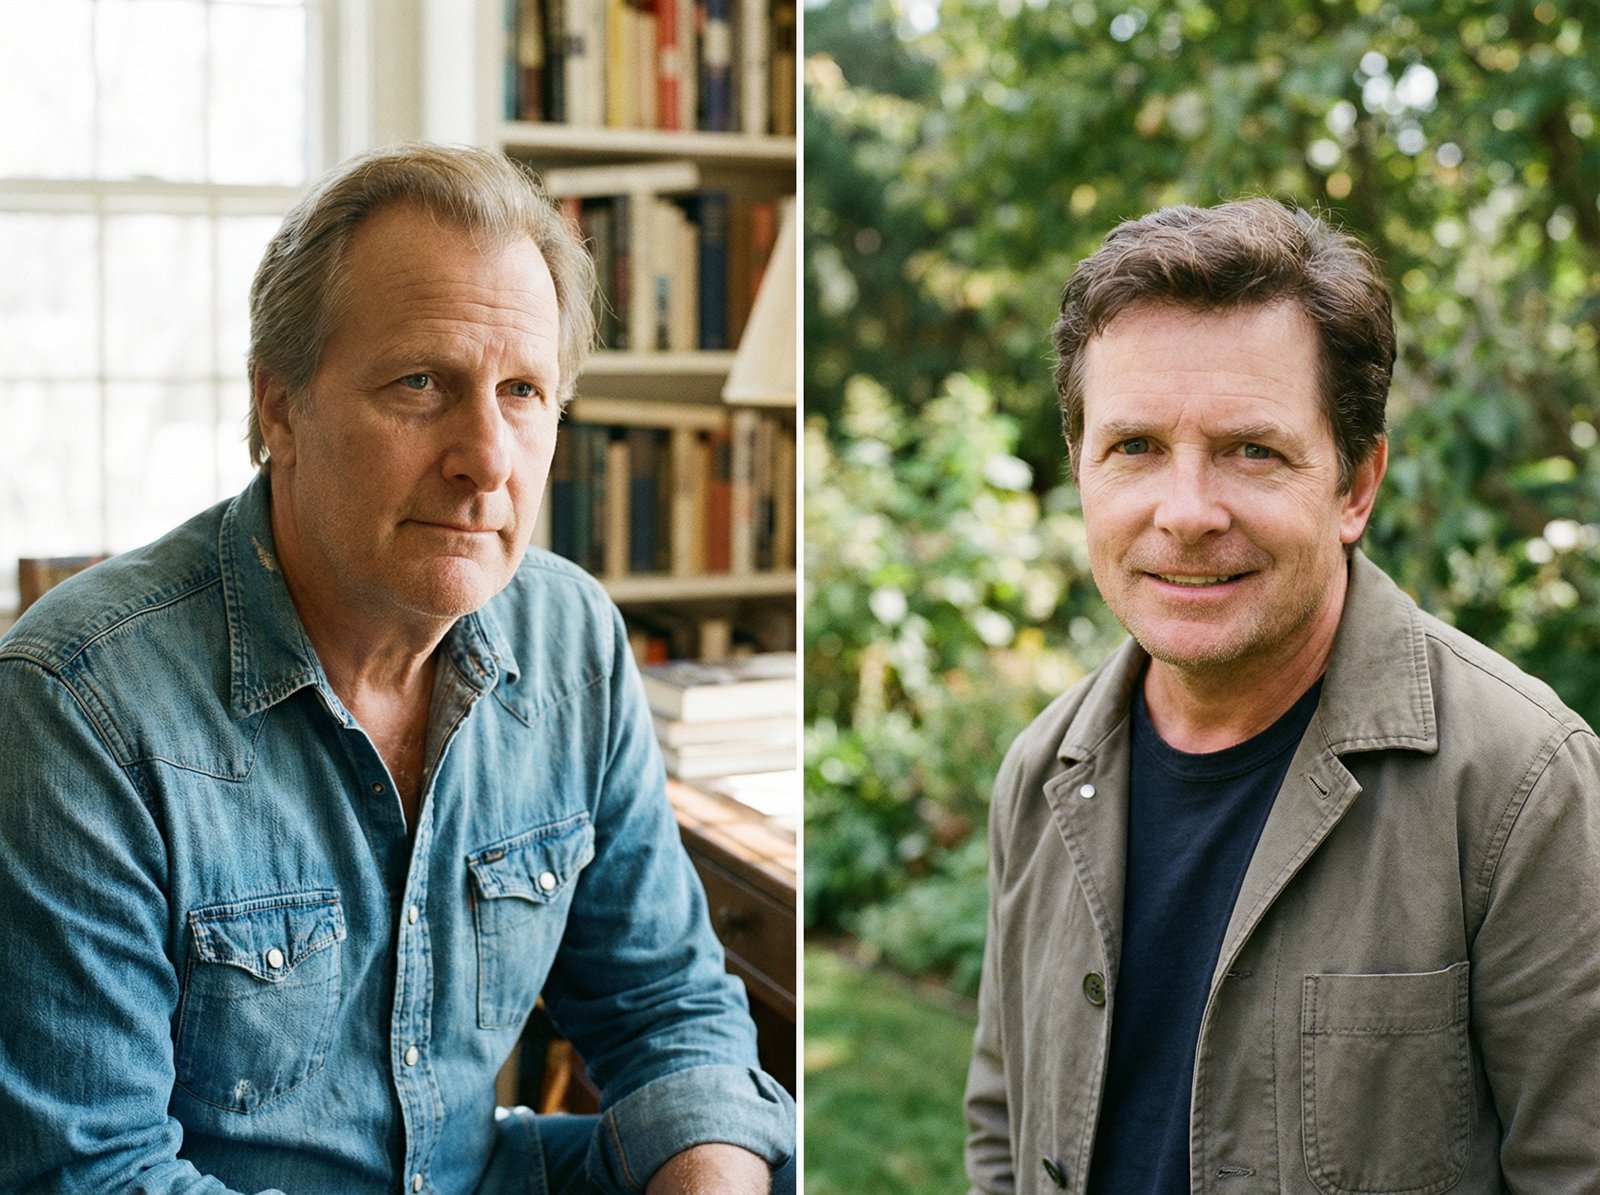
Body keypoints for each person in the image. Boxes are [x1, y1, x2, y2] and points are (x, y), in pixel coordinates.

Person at [0, 144, 793, 1194]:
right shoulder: (76, 704)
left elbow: (663, 1004)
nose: (487, 457)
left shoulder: (571, 638)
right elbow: (90, 1173)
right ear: (278, 407)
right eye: (423, 383)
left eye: (523, 391)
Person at [964, 199, 1600, 1194]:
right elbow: (1002, 1122)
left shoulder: (1521, 784)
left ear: (1355, 485)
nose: (1184, 513)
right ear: (1080, 472)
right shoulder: (1041, 772)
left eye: (1251, 450)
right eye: (1132, 447)